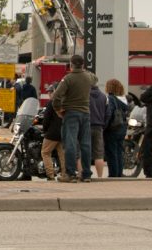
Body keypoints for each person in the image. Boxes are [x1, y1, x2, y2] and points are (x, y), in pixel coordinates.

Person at [51, 55, 94, 183]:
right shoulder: (88, 77)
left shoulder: (68, 79)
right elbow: (95, 78)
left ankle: (70, 174)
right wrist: (85, 71)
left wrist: (58, 110)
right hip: (85, 113)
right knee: (86, 144)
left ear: (71, 65)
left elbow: (56, 96)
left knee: (70, 144)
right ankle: (86, 174)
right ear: (83, 65)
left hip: (71, 114)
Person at [103, 78, 129, 178]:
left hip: (112, 128)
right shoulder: (124, 99)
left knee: (111, 152)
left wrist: (105, 126)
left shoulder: (111, 98)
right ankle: (119, 172)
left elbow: (109, 113)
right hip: (122, 128)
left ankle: (113, 174)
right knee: (119, 150)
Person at [39, 87, 64, 180]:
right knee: (62, 154)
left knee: (45, 152)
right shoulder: (63, 101)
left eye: (51, 92)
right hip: (62, 132)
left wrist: (44, 130)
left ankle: (50, 174)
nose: (49, 94)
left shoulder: (51, 102)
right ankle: (65, 174)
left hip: (52, 133)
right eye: (48, 92)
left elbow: (46, 119)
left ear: (55, 92)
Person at [89, 78, 108, 179]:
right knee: (99, 154)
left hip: (87, 125)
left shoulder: (85, 95)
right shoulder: (103, 96)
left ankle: (85, 174)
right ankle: (100, 176)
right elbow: (106, 112)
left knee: (85, 151)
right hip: (99, 126)